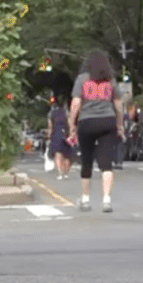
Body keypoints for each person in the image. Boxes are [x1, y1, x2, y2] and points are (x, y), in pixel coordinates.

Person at [67, 51, 124, 212]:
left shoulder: (82, 79)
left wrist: (72, 123)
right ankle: (106, 200)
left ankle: (85, 199)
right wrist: (119, 124)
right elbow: (118, 104)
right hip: (107, 120)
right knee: (106, 162)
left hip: (87, 121)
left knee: (87, 160)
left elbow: (76, 103)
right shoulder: (110, 81)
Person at [45, 96, 75, 180]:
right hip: (66, 134)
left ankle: (60, 173)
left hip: (56, 134)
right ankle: (66, 173)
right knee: (67, 155)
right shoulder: (66, 112)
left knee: (58, 155)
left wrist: (48, 137)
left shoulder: (51, 113)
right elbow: (70, 124)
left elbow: (50, 126)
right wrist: (72, 134)